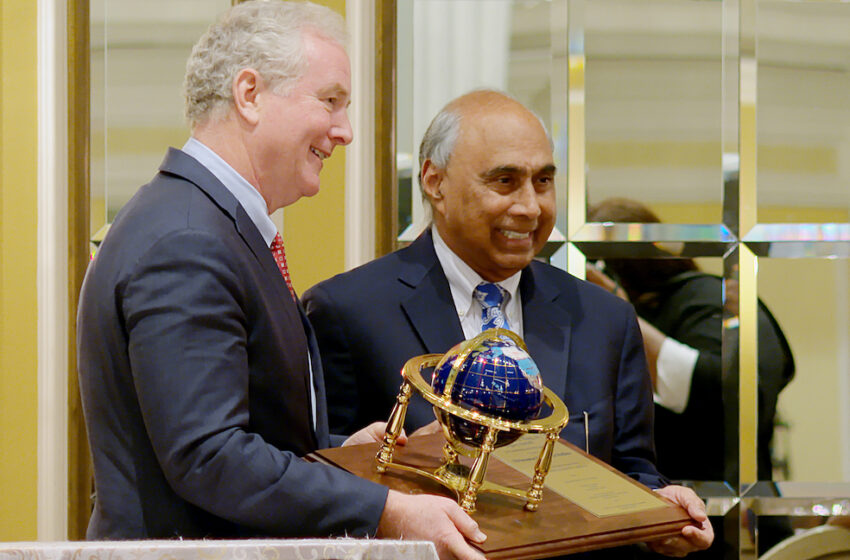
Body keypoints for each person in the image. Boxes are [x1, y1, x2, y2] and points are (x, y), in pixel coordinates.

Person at [76, 3, 487, 558]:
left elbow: (238, 435)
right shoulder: (189, 240)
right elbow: (209, 457)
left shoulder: (201, 221)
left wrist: (340, 454)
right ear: (249, 94)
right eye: (331, 101)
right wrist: (387, 511)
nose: (344, 131)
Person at [303, 89, 713, 557]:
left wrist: (660, 512)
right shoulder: (347, 310)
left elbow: (631, 472)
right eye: (504, 181)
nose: (531, 207)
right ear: (435, 182)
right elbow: (319, 479)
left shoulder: (605, 320)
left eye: (542, 181)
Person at [585, 197, 795, 556]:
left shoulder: (707, 296)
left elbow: (732, 392)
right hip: (666, 525)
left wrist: (619, 312)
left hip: (729, 522)